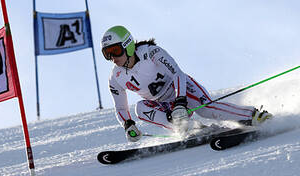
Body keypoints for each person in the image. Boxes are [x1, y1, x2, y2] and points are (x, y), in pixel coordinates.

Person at [101, 25, 272, 142]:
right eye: (107, 54)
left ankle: (253, 115)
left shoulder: (151, 52)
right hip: (162, 102)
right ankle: (191, 129)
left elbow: (177, 74)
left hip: (180, 88)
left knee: (206, 109)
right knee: (140, 108)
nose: (112, 58)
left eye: (115, 50)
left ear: (128, 46)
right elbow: (121, 108)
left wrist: (180, 102)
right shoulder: (116, 77)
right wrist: (128, 126)